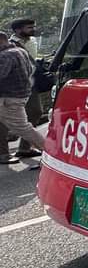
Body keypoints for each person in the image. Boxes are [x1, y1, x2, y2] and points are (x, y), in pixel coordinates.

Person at [0, 30, 43, 168]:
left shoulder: (5, 56)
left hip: (9, 98)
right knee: (22, 127)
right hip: (20, 96)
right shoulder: (20, 51)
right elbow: (31, 70)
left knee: (23, 128)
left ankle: (52, 151)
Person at [10, 18, 45, 160]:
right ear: (18, 30)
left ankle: (24, 148)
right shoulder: (9, 44)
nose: (33, 29)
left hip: (31, 84)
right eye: (29, 28)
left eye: (33, 27)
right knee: (7, 118)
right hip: (14, 88)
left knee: (35, 112)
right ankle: (4, 151)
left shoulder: (32, 41)